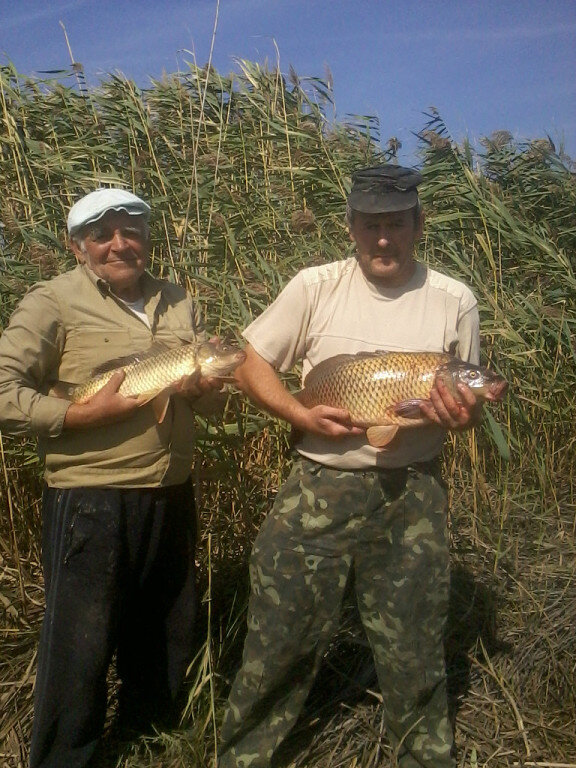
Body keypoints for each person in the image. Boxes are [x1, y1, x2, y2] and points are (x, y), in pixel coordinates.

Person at [218, 165, 482, 768]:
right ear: (352, 228)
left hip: (412, 493)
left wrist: (459, 416)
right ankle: (243, 757)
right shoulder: (315, 286)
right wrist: (300, 415)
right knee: (278, 643)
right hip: (317, 486)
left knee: (415, 651)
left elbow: (464, 403)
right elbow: (251, 363)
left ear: (418, 224)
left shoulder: (455, 299)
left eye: (395, 223)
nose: (383, 238)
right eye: (371, 225)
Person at [0, 188, 224, 768]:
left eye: (132, 231)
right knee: (81, 643)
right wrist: (76, 414)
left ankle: (150, 743)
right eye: (103, 234)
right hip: (90, 498)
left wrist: (202, 391)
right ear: (79, 247)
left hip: (171, 491)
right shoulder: (51, 301)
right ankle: (63, 758)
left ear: (148, 238)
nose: (120, 244)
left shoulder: (178, 300)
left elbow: (196, 405)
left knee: (166, 630)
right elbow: (4, 392)